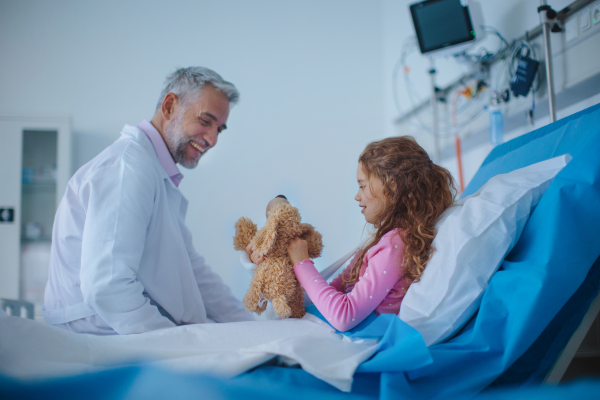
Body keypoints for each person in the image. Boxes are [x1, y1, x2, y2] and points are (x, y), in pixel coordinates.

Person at [43, 67, 254, 335]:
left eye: (219, 129)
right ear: (169, 107)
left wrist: (255, 330)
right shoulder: (129, 168)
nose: (212, 139)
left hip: (116, 330)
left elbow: (194, 271)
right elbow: (106, 286)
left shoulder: (154, 173)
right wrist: (178, 345)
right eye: (205, 121)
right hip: (98, 335)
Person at [250, 136, 456, 331]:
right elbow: (332, 292)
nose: (357, 196)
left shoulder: (396, 245)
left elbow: (343, 316)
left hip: (359, 338)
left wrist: (301, 263)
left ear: (393, 185)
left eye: (362, 185)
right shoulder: (382, 242)